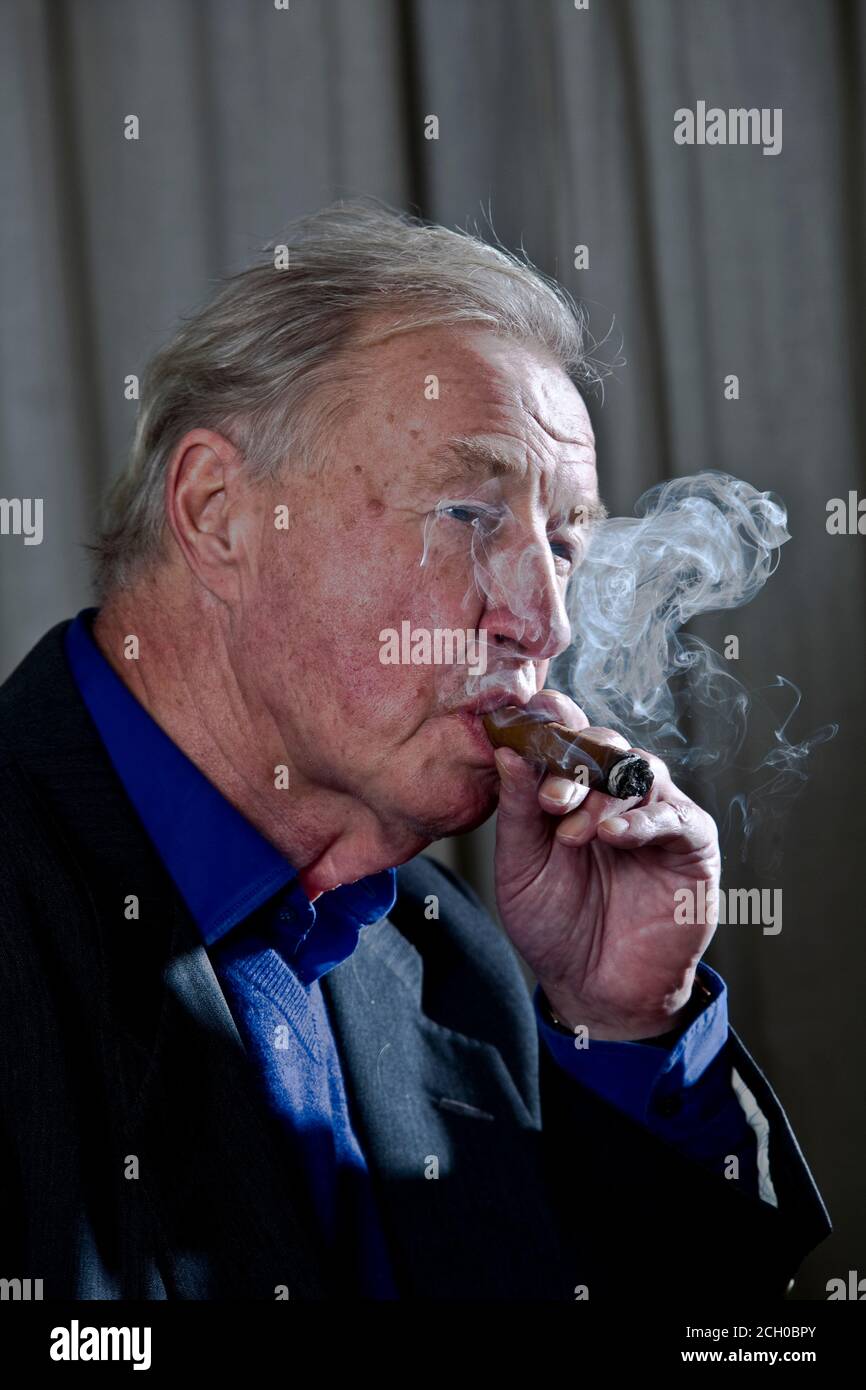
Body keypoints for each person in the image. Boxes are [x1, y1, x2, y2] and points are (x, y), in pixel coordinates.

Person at [0, 201, 830, 1300]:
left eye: (565, 543)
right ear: (217, 513)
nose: (545, 620)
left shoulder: (461, 963)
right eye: (467, 513)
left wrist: (622, 1025)